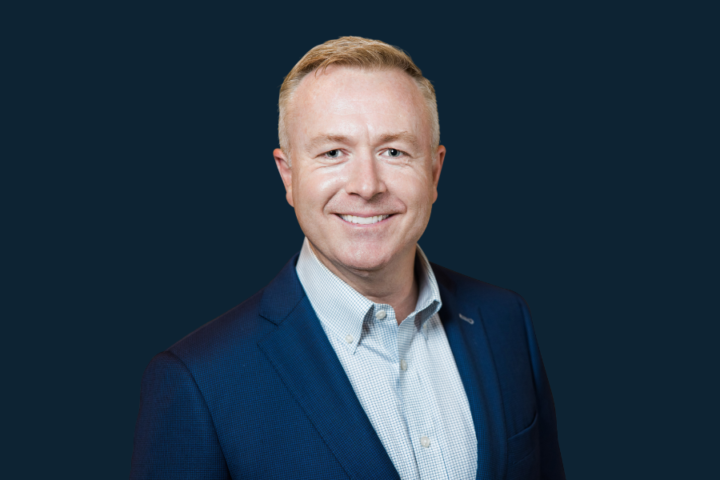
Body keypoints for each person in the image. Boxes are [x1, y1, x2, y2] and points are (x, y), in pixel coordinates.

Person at [130, 36, 565, 480]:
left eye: (393, 151)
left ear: (434, 172)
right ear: (288, 175)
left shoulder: (506, 320)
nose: (367, 185)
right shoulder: (198, 383)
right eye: (333, 153)